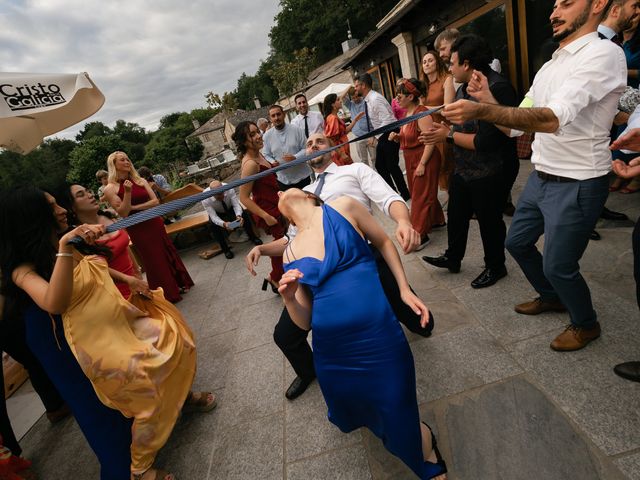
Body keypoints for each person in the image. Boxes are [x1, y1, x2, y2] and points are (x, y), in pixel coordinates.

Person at [441, 0, 627, 350]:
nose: (554, 11)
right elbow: (516, 125)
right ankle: (552, 296)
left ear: (598, 5)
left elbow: (552, 119)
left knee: (559, 265)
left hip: (579, 180)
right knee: (516, 243)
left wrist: (480, 108)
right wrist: (491, 104)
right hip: (542, 176)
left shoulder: (603, 55)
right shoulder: (550, 66)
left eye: (567, 3)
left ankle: (586, 323)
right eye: (554, 4)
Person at [0, 187, 214, 480]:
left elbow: (91, 264)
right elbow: (54, 302)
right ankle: (132, 469)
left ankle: (177, 401)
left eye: (58, 202)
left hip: (108, 321)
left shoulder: (63, 242)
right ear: (31, 219)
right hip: (64, 342)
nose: (62, 209)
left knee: (170, 345)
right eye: (51, 208)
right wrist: (66, 247)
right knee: (111, 401)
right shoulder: (23, 267)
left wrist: (127, 277)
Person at [277, 189, 447, 479]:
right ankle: (394, 431)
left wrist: (404, 289)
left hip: (378, 335)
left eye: (287, 188)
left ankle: (423, 445)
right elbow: (304, 323)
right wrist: (289, 299)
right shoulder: (289, 253)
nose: (280, 190)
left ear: (310, 196)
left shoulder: (342, 206)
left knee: (396, 402)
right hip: (333, 351)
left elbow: (382, 241)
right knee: (361, 404)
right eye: (278, 193)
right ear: (285, 218)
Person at [245, 133, 425, 401]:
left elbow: (389, 199)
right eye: (307, 144)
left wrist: (403, 222)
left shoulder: (354, 171)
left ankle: (412, 321)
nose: (313, 145)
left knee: (411, 312)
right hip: (316, 273)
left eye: (320, 141)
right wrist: (261, 248)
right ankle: (311, 372)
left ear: (334, 148)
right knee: (284, 335)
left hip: (360, 255)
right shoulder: (303, 195)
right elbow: (291, 240)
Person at [421, 34, 517, 290]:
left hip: (491, 170)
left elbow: (486, 142)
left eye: (452, 63)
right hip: (465, 167)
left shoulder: (498, 88)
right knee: (457, 213)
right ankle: (453, 257)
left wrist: (448, 135)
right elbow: (460, 123)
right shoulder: (465, 87)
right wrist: (442, 127)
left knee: (489, 221)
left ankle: (496, 266)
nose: (449, 69)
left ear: (467, 64)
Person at [102, 151, 194, 303]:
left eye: (127, 159)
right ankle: (166, 292)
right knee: (153, 258)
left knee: (165, 251)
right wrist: (128, 193)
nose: (127, 162)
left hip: (153, 221)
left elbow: (155, 202)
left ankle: (180, 283)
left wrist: (135, 207)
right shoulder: (110, 188)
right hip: (137, 228)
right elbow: (124, 213)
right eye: (122, 160)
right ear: (114, 165)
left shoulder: (140, 180)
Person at [56, 183, 150, 299]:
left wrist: (137, 270)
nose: (90, 195)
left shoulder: (108, 217)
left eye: (88, 191)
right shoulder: (77, 236)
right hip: (112, 295)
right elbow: (94, 267)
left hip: (135, 284)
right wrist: (127, 279)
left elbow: (125, 246)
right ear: (71, 207)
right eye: (81, 195)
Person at [389, 78, 444, 250]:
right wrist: (399, 137)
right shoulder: (407, 114)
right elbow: (412, 137)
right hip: (411, 157)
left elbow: (430, 141)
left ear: (411, 96)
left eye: (399, 96)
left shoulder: (422, 113)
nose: (396, 99)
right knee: (419, 191)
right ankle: (437, 220)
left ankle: (420, 234)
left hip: (423, 157)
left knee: (420, 196)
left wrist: (422, 164)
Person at [235, 121, 286, 292]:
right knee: (281, 244)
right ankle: (275, 278)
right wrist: (266, 216)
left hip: (275, 202)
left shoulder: (258, 154)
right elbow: (243, 197)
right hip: (268, 208)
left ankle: (276, 276)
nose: (258, 136)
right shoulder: (250, 163)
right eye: (252, 134)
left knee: (283, 241)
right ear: (243, 141)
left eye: (257, 132)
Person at [355, 73, 411, 201]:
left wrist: (376, 137)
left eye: (357, 85)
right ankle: (394, 192)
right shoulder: (369, 99)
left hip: (389, 132)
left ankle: (403, 193)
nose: (355, 88)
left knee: (391, 166)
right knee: (381, 166)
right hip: (383, 134)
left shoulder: (375, 99)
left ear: (363, 85)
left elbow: (387, 119)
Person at [420, 50, 456, 192]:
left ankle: (456, 201)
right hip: (428, 131)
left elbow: (447, 109)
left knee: (447, 167)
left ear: (437, 62)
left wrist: (423, 107)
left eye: (430, 60)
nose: (427, 64)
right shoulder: (423, 85)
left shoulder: (446, 79)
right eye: (424, 62)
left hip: (443, 129)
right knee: (437, 169)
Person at [201, 180, 263, 259]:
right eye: (218, 196)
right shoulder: (205, 198)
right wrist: (223, 224)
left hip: (230, 207)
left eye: (222, 194)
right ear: (212, 194)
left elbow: (236, 205)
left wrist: (238, 216)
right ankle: (226, 250)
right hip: (217, 212)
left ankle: (253, 237)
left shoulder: (229, 188)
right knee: (213, 226)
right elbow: (213, 216)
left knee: (244, 215)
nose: (221, 197)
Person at [262, 104, 312, 190]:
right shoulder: (267, 136)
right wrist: (272, 161)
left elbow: (306, 149)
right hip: (283, 180)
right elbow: (266, 154)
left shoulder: (297, 129)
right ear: (270, 119)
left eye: (278, 114)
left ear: (284, 114)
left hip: (303, 177)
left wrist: (295, 157)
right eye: (273, 116)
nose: (276, 118)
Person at [321, 92, 364, 166]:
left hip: (344, 151)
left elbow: (344, 132)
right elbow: (330, 139)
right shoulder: (332, 118)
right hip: (340, 153)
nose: (340, 101)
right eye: (337, 100)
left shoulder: (334, 116)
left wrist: (355, 120)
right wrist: (341, 153)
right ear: (333, 104)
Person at [343, 87, 376, 166]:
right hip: (358, 138)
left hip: (370, 135)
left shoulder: (366, 102)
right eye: (353, 97)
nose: (355, 99)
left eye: (357, 96)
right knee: (363, 160)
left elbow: (374, 118)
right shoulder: (350, 104)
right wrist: (349, 88)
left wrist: (373, 135)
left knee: (374, 158)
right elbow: (342, 97)